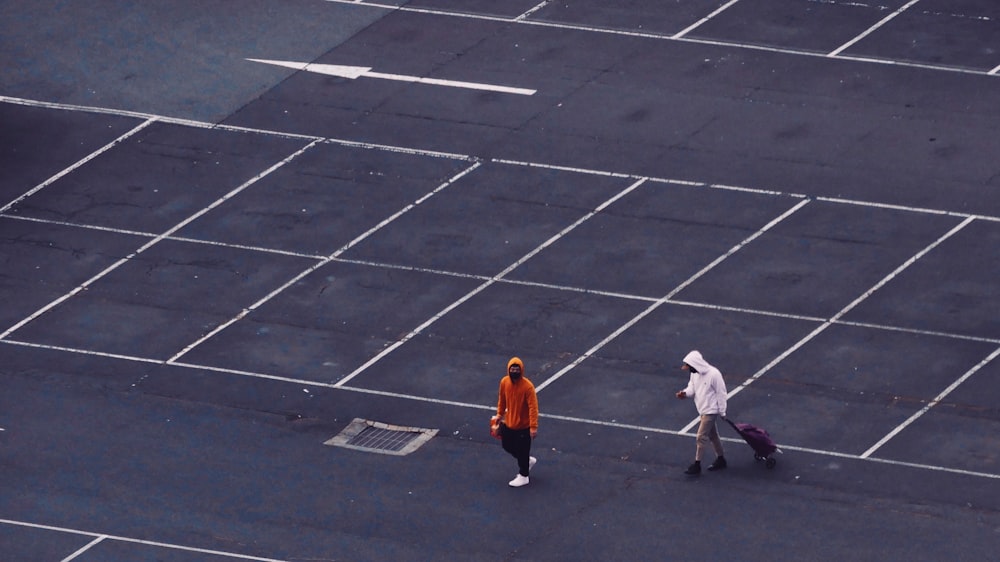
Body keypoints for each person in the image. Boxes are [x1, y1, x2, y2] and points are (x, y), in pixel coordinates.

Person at [675, 350, 727, 475]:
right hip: (703, 410)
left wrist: (722, 411)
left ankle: (697, 464)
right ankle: (721, 459)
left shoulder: (714, 374)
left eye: (689, 367)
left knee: (700, 436)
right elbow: (691, 388)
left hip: (710, 411)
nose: (688, 369)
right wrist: (685, 393)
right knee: (713, 436)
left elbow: (721, 393)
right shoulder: (695, 374)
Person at [494, 357, 539, 487]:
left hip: (523, 426)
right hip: (509, 423)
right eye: (512, 369)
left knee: (523, 449)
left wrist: (533, 426)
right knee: (507, 445)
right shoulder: (504, 382)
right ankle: (526, 461)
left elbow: (533, 407)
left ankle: (524, 475)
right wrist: (499, 414)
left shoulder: (528, 387)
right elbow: (501, 399)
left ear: (521, 370)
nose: (514, 371)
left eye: (517, 369)